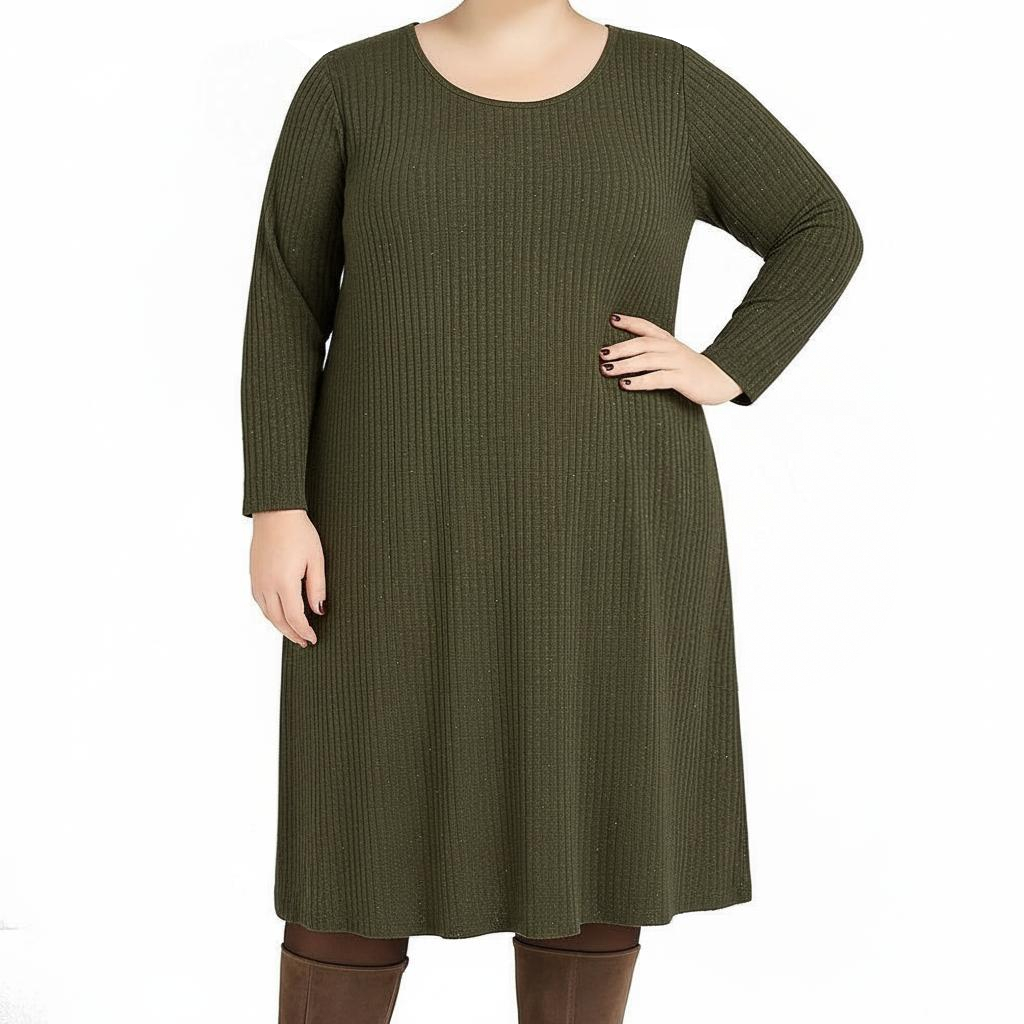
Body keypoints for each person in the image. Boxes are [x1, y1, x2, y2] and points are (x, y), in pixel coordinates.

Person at [241, 2, 863, 1021]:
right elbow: (285, 296)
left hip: (609, 518)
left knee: (592, 826)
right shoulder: (349, 87)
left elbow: (820, 226)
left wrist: (730, 364)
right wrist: (276, 499)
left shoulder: (668, 86)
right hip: (381, 525)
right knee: (351, 839)